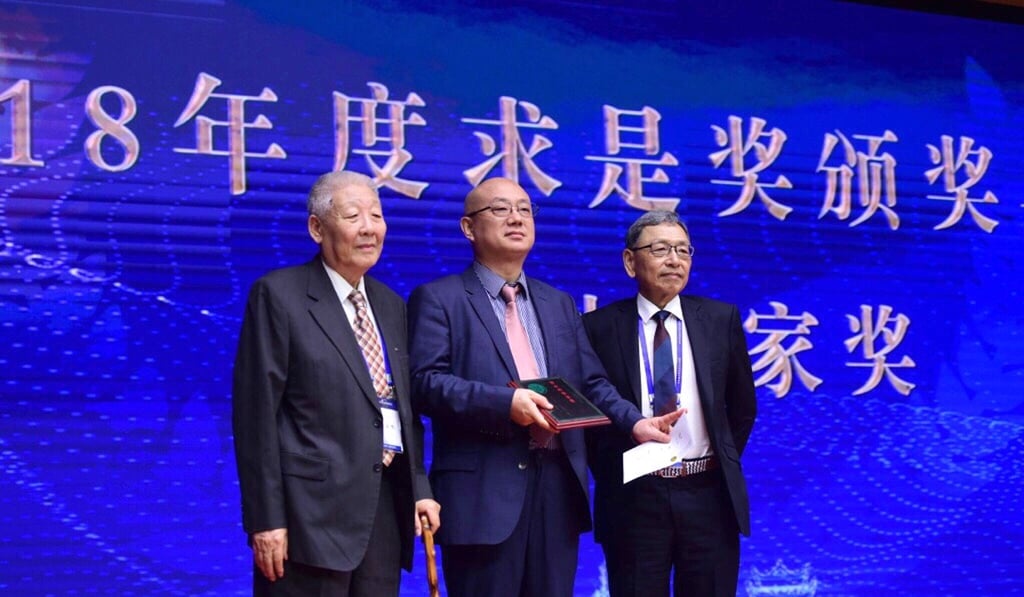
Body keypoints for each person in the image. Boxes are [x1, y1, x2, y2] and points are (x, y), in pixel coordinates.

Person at [407, 177, 683, 597]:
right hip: (483, 492)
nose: (517, 217)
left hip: (557, 487)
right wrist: (506, 403)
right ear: (468, 227)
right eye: (500, 209)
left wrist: (635, 424)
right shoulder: (439, 299)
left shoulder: (558, 303)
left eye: (524, 208)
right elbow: (425, 384)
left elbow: (591, 382)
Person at [231, 171, 441, 597]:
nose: (369, 227)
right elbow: (256, 416)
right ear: (316, 228)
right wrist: (266, 520)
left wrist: (419, 488)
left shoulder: (390, 303)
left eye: (377, 215)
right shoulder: (279, 295)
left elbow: (401, 408)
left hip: (382, 509)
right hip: (307, 517)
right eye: (352, 216)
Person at [582, 210, 758, 597]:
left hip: (709, 494)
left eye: (683, 250)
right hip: (635, 497)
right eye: (660, 249)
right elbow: (591, 414)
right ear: (630, 261)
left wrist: (716, 460)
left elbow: (743, 407)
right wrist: (620, 468)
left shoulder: (719, 318)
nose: (675, 260)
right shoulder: (598, 327)